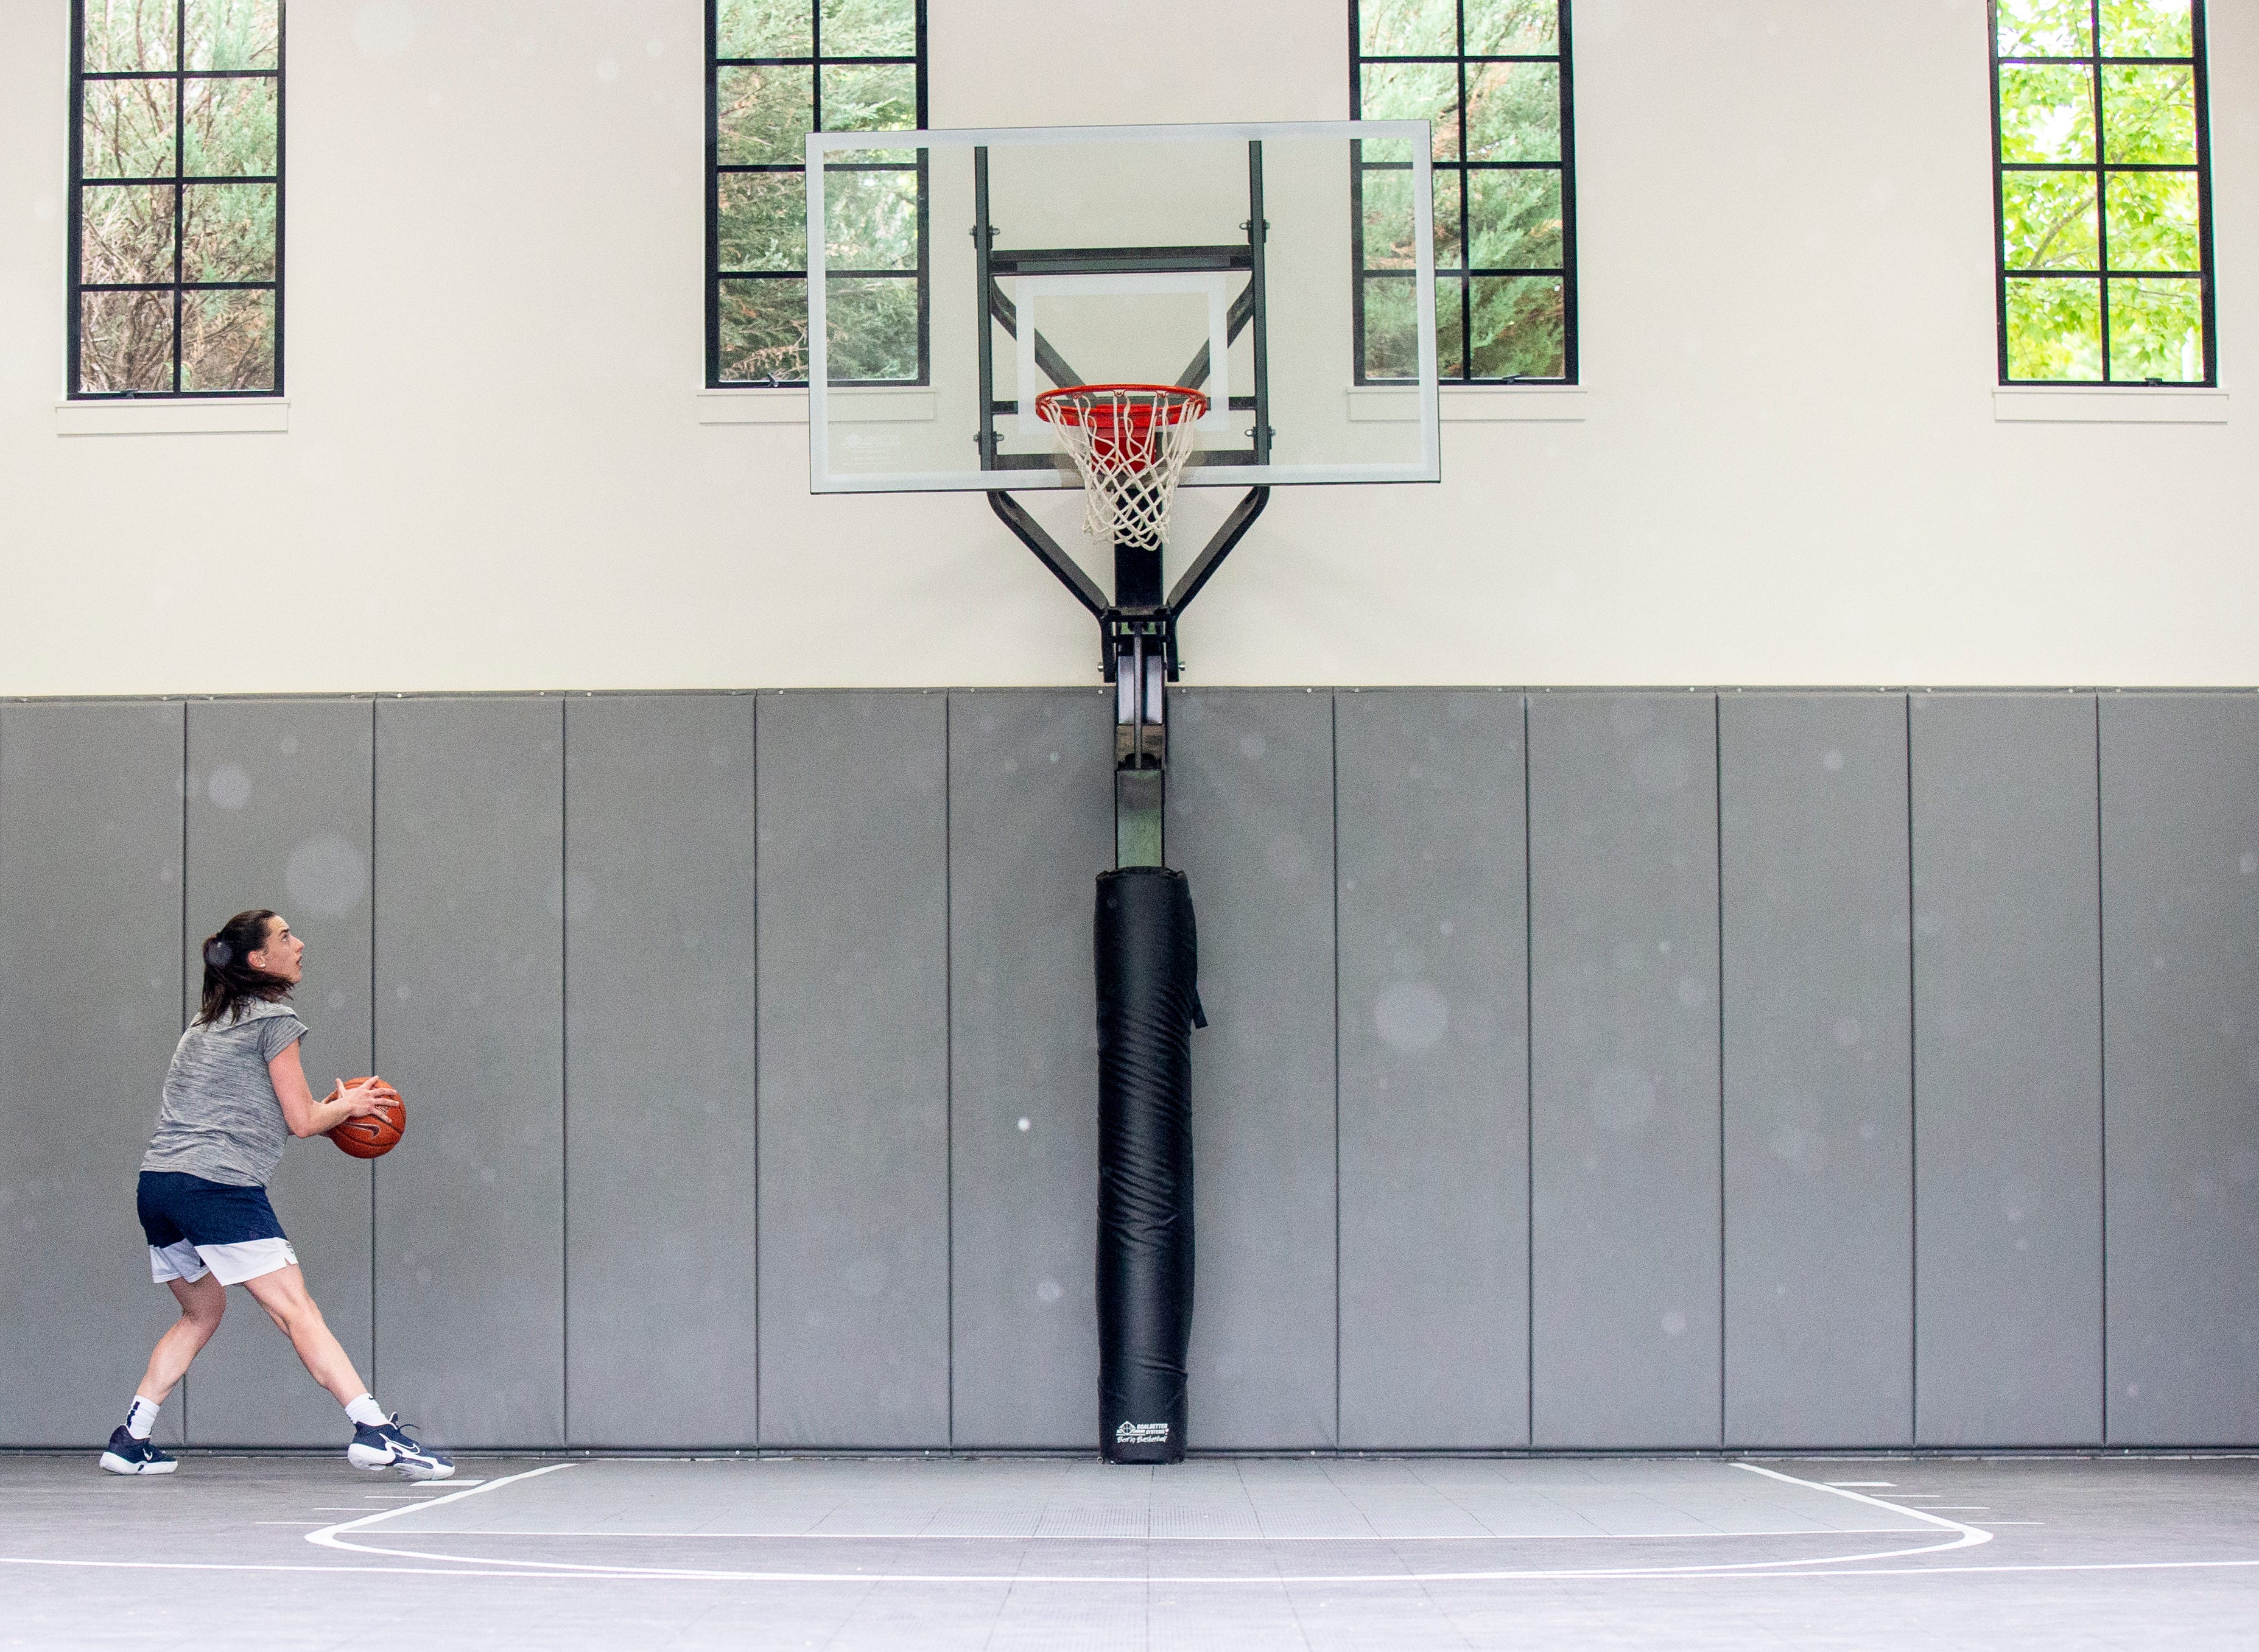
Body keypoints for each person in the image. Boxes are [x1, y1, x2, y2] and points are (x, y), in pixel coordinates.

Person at [100, 908, 452, 1482]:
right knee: (296, 1310)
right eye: (286, 936)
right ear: (259, 959)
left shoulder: (203, 1025)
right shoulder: (272, 1019)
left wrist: (335, 1107)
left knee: (201, 1311)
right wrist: (352, 1107)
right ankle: (374, 1430)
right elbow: (303, 1118)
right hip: (218, 1185)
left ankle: (131, 1437)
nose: (301, 943)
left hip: (160, 1184)